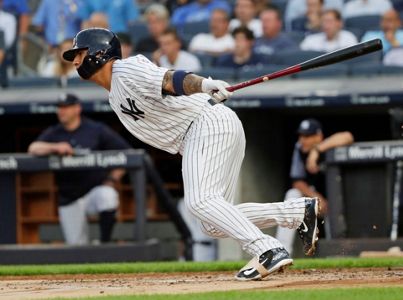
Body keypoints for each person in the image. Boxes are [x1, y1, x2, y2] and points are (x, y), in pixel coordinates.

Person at [62, 27, 320, 280]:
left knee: (199, 202)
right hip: (202, 131)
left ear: (98, 52)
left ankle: (266, 249)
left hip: (204, 124)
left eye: (80, 53)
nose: (75, 60)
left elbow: (170, 79)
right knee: (214, 223)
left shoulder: (124, 69)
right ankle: (298, 212)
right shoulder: (113, 95)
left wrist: (204, 84)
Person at [28, 93, 131, 245]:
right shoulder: (54, 132)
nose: (61, 111)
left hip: (93, 191)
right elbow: (33, 148)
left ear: (77, 109)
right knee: (77, 246)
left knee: (108, 195)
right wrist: (55, 147)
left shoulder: (96, 129)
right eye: (59, 108)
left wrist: (112, 178)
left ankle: (105, 243)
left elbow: (127, 154)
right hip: (69, 197)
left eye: (66, 107)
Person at [276, 119, 354, 255]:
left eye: (307, 136)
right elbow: (297, 181)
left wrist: (316, 151)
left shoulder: (329, 145)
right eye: (301, 136)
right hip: (316, 196)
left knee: (335, 206)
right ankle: (282, 251)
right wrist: (316, 196)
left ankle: (338, 253)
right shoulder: (299, 149)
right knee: (292, 193)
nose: (302, 140)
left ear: (318, 136)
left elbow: (348, 136)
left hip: (340, 197)